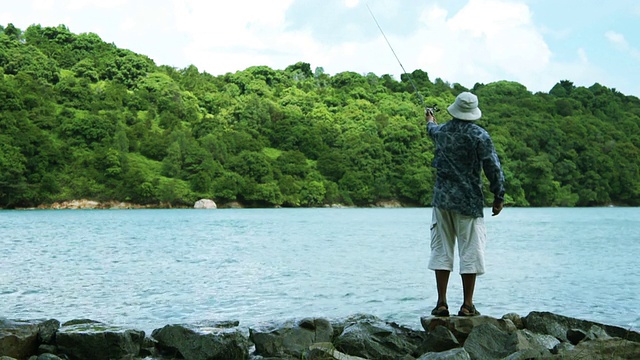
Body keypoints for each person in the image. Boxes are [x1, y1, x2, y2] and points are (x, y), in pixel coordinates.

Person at [425, 92, 505, 317]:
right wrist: (498, 196)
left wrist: (430, 119)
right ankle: (467, 305)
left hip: (442, 202)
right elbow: (493, 168)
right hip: (469, 203)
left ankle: (441, 303)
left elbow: (432, 130)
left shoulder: (442, 132)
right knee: (470, 251)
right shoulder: (480, 136)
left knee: (441, 249)